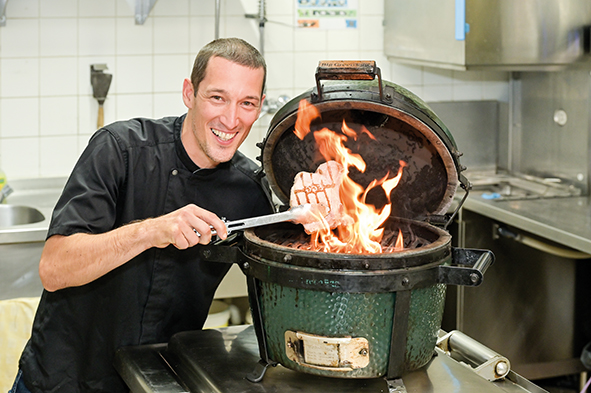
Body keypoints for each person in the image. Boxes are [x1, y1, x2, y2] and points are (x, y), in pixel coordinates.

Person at [10, 37, 274, 393]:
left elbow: (285, 276)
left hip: (156, 383)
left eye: (247, 103)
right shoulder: (119, 150)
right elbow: (54, 269)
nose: (231, 118)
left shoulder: (249, 191)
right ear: (189, 93)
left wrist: (308, 184)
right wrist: (152, 231)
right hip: (62, 380)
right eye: (217, 97)